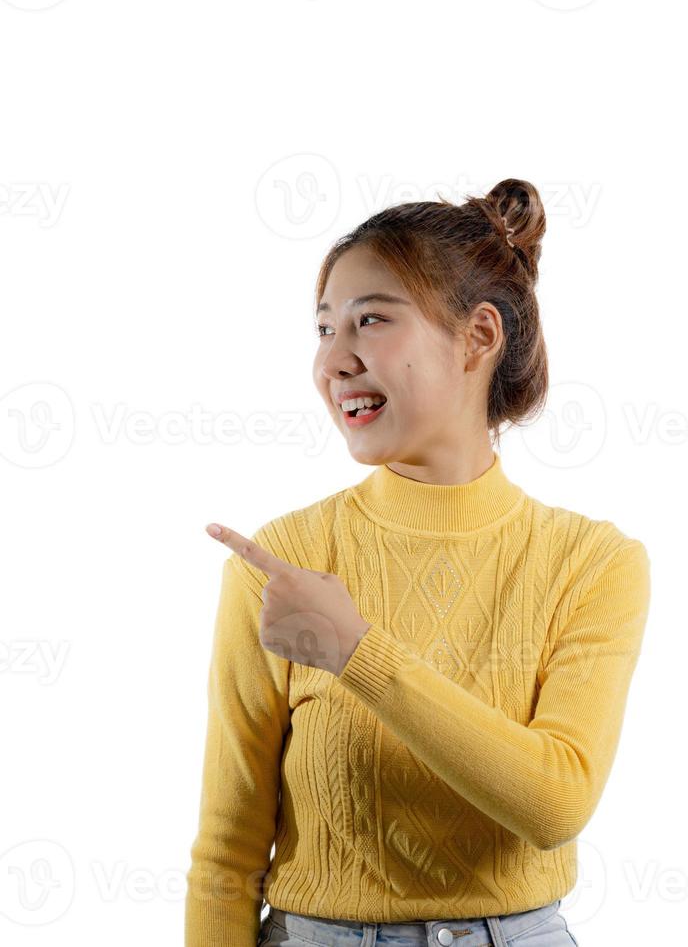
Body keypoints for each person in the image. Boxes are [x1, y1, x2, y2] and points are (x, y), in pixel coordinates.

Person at [185, 178, 652, 947]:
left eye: (370, 320)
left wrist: (356, 654)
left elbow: (555, 803)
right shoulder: (286, 563)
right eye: (324, 328)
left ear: (478, 337)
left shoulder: (591, 563)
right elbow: (227, 849)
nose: (333, 361)